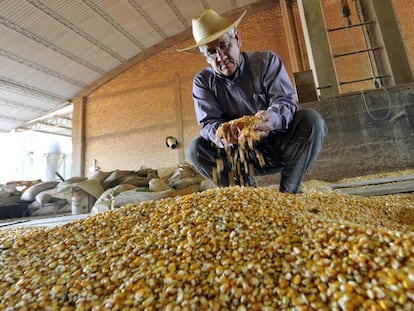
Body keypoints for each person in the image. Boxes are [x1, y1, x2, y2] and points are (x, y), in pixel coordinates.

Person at [178, 9, 327, 193]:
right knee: (196, 149)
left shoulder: (266, 62)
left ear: (237, 39)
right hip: (239, 157)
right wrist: (222, 134)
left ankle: (290, 192)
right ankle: (246, 195)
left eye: (224, 45)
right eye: (211, 53)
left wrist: (271, 118)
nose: (221, 57)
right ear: (205, 57)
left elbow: (285, 102)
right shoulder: (202, 82)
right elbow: (208, 124)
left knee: (311, 120)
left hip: (278, 147)